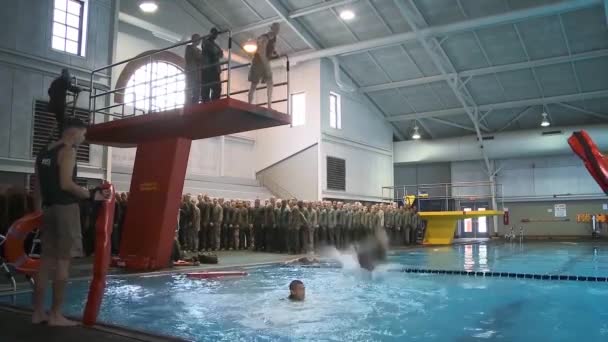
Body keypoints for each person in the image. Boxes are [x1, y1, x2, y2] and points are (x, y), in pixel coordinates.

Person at [32, 118, 110, 326]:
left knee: (45, 262)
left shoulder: (43, 152)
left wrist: (38, 209)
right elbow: (66, 184)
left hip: (48, 209)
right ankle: (56, 315)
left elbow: (37, 184)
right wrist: (89, 194)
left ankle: (38, 312)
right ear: (73, 133)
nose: (83, 139)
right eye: (83, 135)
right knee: (63, 262)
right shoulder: (68, 151)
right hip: (66, 210)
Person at [247, 23, 280, 109]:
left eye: (278, 28)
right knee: (254, 83)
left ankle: (269, 105)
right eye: (276, 28)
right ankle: (249, 103)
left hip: (265, 61)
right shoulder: (264, 38)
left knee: (270, 81)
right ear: (271, 28)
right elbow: (261, 52)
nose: (277, 30)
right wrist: (266, 63)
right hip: (258, 62)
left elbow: (270, 50)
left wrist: (274, 55)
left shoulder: (274, 39)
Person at [48, 69, 82, 135]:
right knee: (63, 122)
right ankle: (62, 136)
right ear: (66, 74)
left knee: (60, 121)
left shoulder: (55, 81)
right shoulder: (64, 80)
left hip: (53, 105)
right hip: (60, 105)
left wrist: (55, 96)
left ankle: (61, 135)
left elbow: (49, 91)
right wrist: (79, 89)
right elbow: (70, 88)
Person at [201, 28, 223, 102]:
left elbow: (220, 53)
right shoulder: (206, 42)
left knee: (217, 88)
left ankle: (214, 102)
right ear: (211, 33)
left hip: (214, 68)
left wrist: (217, 53)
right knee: (207, 88)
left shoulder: (214, 44)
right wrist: (217, 53)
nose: (215, 35)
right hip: (208, 68)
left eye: (216, 34)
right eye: (214, 33)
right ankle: (207, 103)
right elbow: (213, 52)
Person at [185, 34, 203, 105]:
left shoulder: (199, 50)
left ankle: (195, 102)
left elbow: (201, 59)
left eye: (199, 39)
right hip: (192, 70)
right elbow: (195, 57)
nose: (198, 40)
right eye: (197, 39)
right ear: (193, 39)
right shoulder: (189, 47)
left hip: (197, 72)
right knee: (190, 86)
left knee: (197, 88)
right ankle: (189, 102)